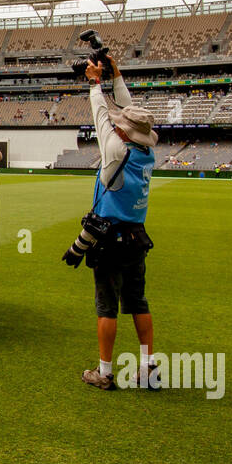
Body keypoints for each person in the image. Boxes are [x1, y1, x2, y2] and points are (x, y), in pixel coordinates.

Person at [71, 54, 159, 392]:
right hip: (137, 237)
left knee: (106, 306)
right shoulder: (146, 152)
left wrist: (96, 82)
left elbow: (101, 116)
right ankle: (148, 367)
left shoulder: (115, 150)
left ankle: (104, 371)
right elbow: (131, 112)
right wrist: (116, 75)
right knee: (138, 302)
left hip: (109, 238)